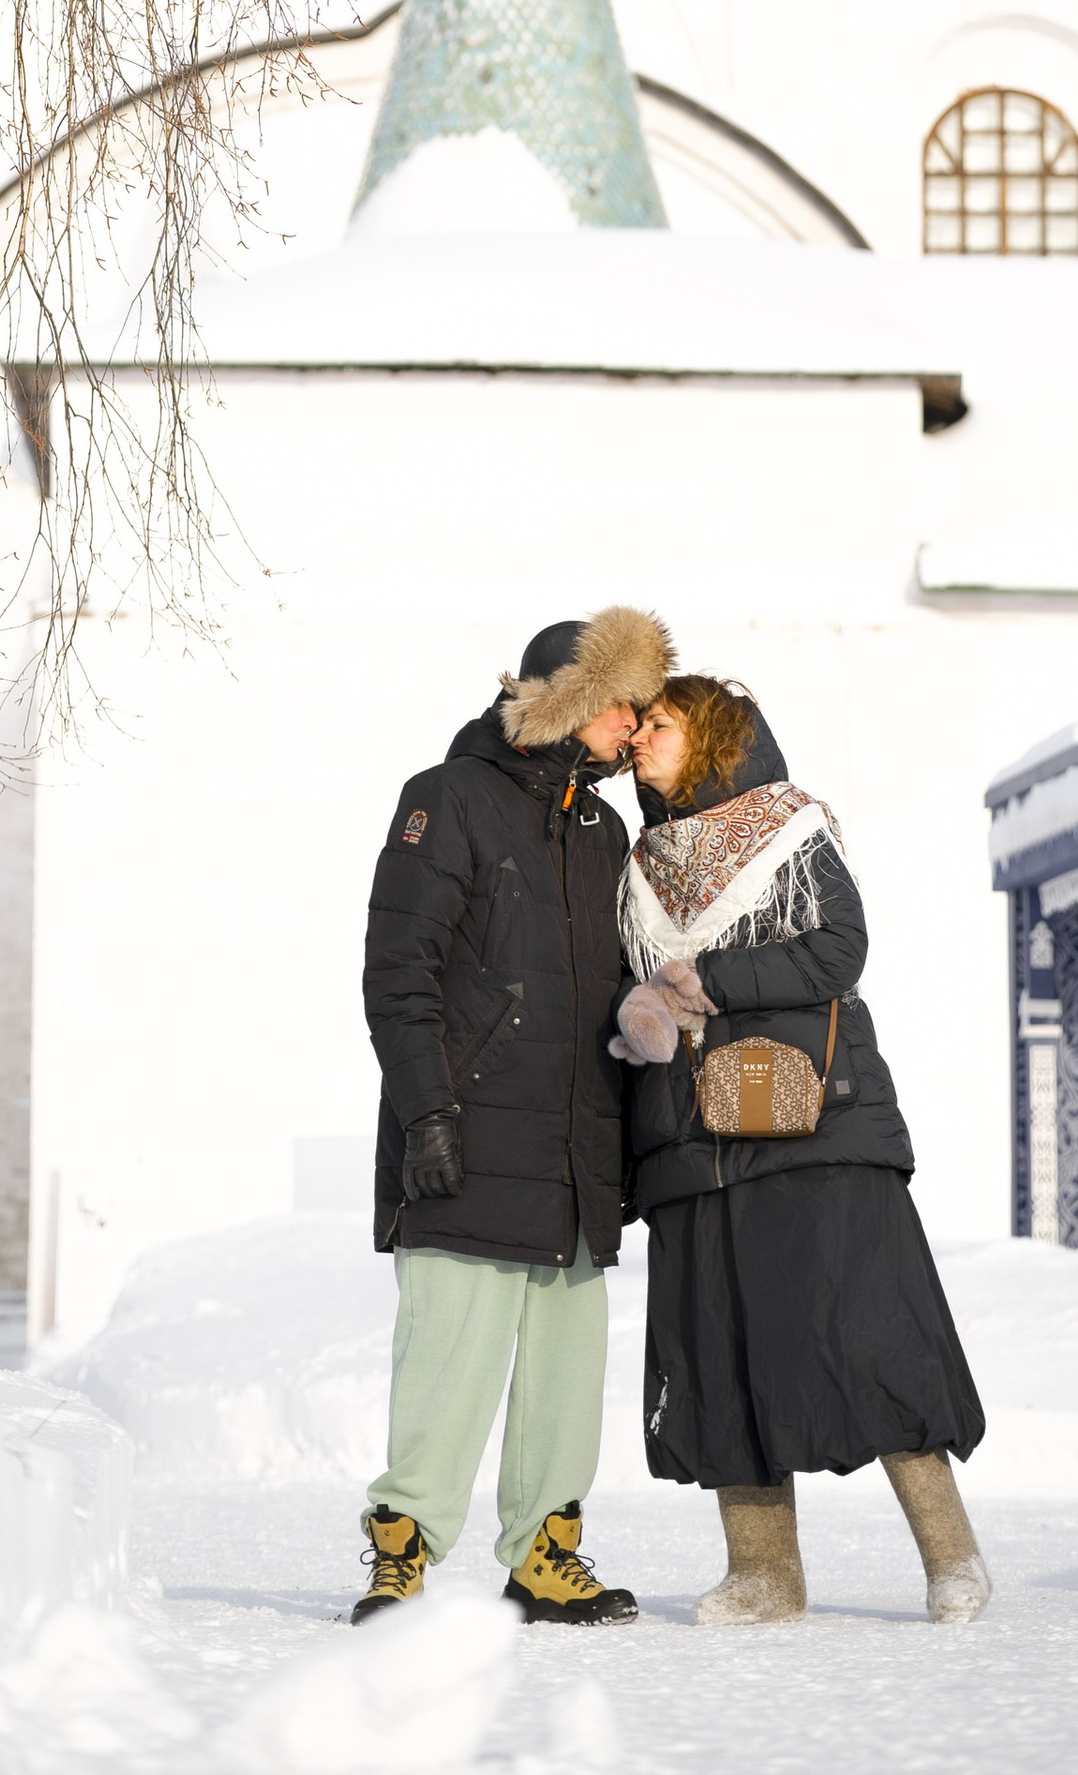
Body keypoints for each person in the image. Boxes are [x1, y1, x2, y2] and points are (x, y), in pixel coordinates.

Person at [611, 672, 990, 1626]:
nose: (641, 739)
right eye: (641, 725)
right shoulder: (641, 866)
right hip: (692, 1138)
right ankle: (765, 1575)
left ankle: (952, 1557)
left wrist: (708, 978)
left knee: (870, 1335)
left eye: (662, 725)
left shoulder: (788, 831)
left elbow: (838, 949)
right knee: (720, 1349)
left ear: (713, 739)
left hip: (813, 1125)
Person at [353, 605, 674, 1626]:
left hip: (575, 1152)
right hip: (469, 1137)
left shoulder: (604, 831)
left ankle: (545, 1554)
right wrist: (427, 1115)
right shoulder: (446, 799)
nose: (634, 727)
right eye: (624, 706)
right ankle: (402, 1552)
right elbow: (398, 974)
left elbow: (620, 988)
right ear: (571, 700)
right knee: (447, 1361)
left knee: (564, 1378)